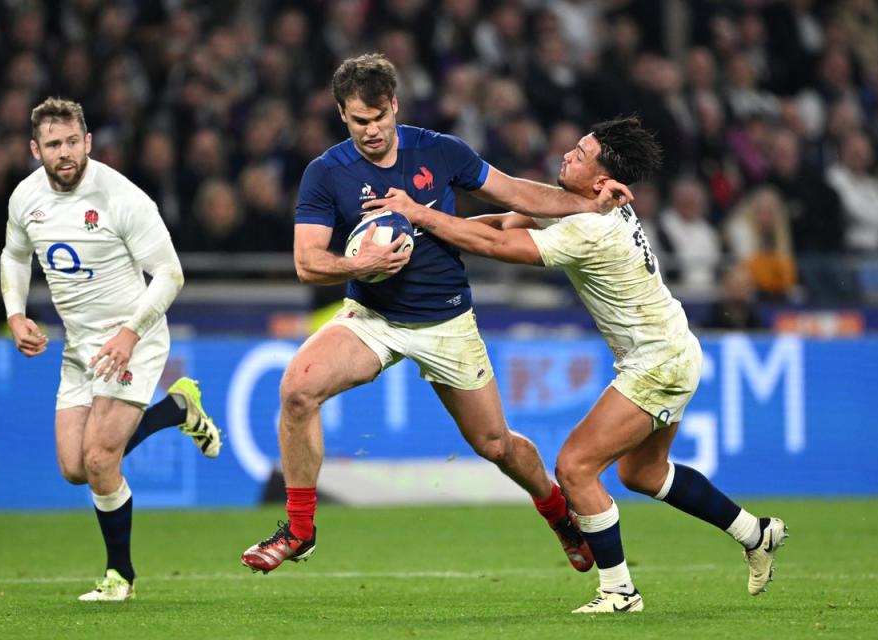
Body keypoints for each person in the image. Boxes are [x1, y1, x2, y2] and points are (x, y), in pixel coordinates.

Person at [373, 116, 788, 613]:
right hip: (673, 349)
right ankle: (755, 533)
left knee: (574, 468)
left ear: (599, 178)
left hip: (658, 362)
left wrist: (420, 216)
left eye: (580, 151)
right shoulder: (582, 205)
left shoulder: (591, 227)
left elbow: (500, 246)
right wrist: (430, 230)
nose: (567, 153)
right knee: (643, 473)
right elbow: (503, 222)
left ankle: (619, 593)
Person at [240, 54, 631, 574]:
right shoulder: (325, 173)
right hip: (373, 318)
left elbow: (516, 193)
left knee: (495, 444)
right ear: (342, 114)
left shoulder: (440, 151)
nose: (373, 130)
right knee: (297, 388)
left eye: (380, 117)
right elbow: (308, 263)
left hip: (446, 322)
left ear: (395, 105)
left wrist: (587, 205)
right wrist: (363, 263)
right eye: (360, 120)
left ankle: (559, 515)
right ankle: (300, 529)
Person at [0, 97, 222, 602]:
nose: (65, 153)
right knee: (75, 468)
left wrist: (130, 333)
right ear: (36, 149)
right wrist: (15, 314)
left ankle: (120, 577)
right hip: (80, 348)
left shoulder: (122, 198)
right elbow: (14, 256)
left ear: (89, 141)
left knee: (101, 459)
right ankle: (178, 409)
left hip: (134, 339)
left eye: (73, 141)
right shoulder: (24, 199)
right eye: (54, 144)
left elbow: (170, 274)